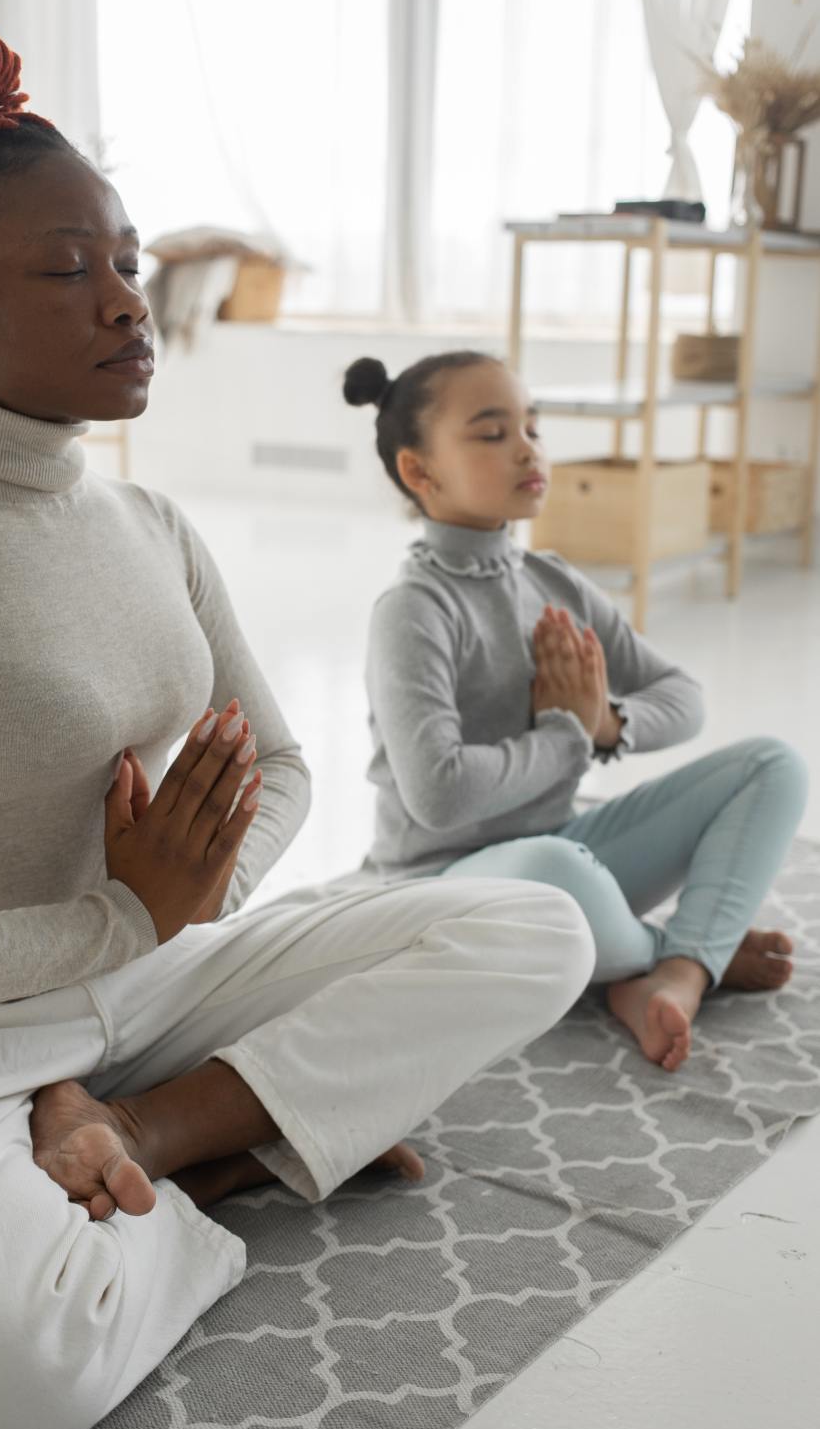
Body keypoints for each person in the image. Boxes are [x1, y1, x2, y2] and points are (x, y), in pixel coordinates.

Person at [0, 9, 595, 1429]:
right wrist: (115, 916)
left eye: (125, 261)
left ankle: (143, 1133)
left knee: (541, 929)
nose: (128, 303)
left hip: (154, 988)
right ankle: (235, 1141)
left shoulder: (149, 524)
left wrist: (163, 922)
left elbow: (287, 767)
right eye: (68, 272)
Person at [345, 349, 808, 1074]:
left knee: (771, 765)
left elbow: (683, 699)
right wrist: (565, 736)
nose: (527, 447)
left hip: (565, 853)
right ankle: (688, 953)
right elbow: (437, 795)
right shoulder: (413, 611)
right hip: (443, 888)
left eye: (532, 426)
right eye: (493, 434)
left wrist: (606, 726)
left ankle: (670, 971)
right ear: (420, 472)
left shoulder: (551, 578)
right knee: (562, 868)